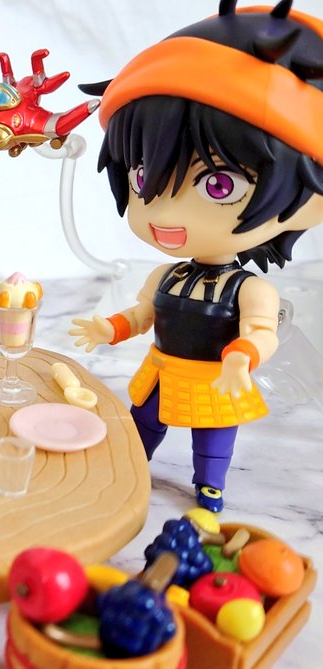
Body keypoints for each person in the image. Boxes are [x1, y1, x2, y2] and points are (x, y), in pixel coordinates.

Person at [70, 0, 323, 512]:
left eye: (218, 184)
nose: (164, 210)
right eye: (144, 176)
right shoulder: (166, 274)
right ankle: (131, 470)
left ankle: (210, 488)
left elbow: (263, 331)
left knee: (212, 441)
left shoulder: (250, 289)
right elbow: (143, 314)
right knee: (142, 425)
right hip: (161, 371)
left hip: (214, 378)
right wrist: (110, 328)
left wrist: (242, 355)